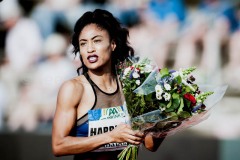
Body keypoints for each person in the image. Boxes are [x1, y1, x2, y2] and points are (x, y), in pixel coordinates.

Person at [52, 9, 164, 160]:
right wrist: (110, 136)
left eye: (96, 40)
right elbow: (58, 145)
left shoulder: (132, 85)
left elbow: (150, 145)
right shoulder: (73, 89)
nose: (89, 49)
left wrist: (170, 118)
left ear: (112, 44)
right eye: (83, 44)